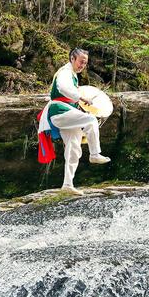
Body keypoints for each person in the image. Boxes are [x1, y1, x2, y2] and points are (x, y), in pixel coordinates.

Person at [37, 48, 111, 195]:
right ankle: (94, 154)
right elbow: (63, 88)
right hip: (59, 111)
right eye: (80, 62)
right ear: (72, 59)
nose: (82, 65)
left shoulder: (72, 75)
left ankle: (67, 184)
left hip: (66, 112)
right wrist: (81, 98)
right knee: (91, 120)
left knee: (73, 147)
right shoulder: (65, 72)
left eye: (85, 63)